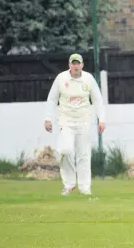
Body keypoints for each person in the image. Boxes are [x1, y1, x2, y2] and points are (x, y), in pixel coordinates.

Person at [44, 53, 106, 196]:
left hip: (84, 121)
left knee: (83, 155)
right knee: (65, 151)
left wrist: (101, 119)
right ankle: (69, 184)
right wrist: (48, 118)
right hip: (65, 120)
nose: (76, 66)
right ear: (69, 65)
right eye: (73, 63)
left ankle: (84, 188)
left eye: (78, 63)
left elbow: (97, 100)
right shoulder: (61, 78)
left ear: (82, 65)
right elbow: (52, 99)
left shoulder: (88, 79)